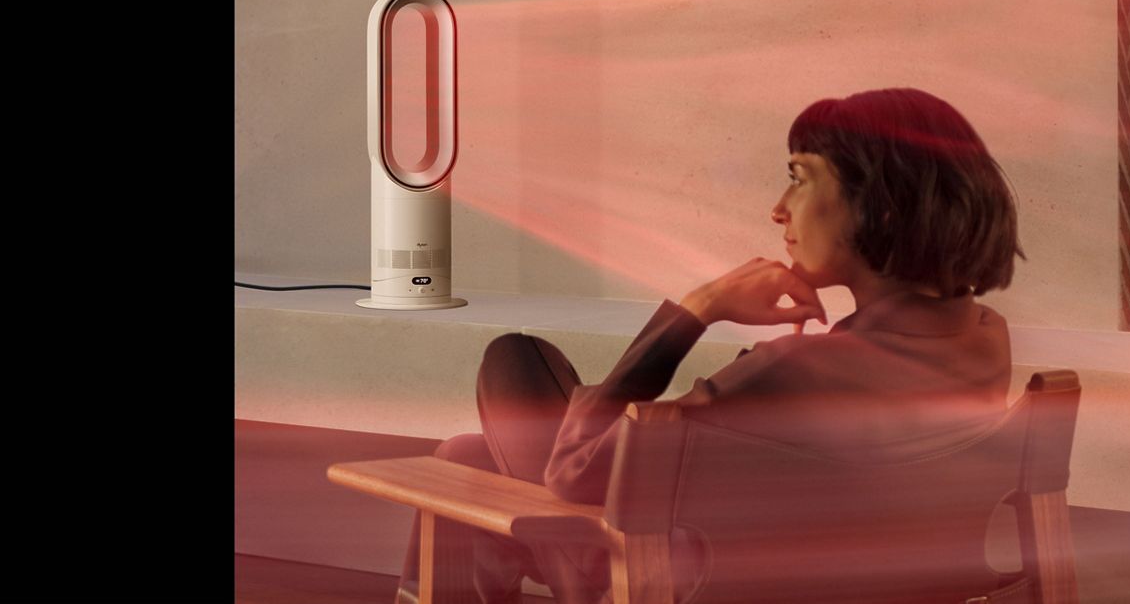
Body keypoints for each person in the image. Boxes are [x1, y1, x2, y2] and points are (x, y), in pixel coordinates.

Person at [394, 87, 1027, 604]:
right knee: (469, 456)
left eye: (800, 179)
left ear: (881, 209)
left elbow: (572, 470)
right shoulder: (982, 339)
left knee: (513, 365)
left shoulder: (791, 372)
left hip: (669, 581)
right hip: (844, 574)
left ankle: (576, 576)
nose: (779, 210)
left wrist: (695, 311)